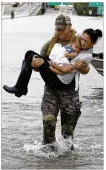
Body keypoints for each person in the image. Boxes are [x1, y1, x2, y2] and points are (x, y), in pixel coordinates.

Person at [3, 14, 102, 149]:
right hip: (51, 88)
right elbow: (40, 67)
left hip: (69, 90)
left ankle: (69, 162)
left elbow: (86, 69)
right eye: (57, 29)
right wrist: (33, 65)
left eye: (62, 29)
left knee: (68, 134)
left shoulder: (81, 41)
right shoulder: (49, 44)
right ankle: (47, 160)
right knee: (48, 123)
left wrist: (81, 67)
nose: (59, 32)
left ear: (70, 26)